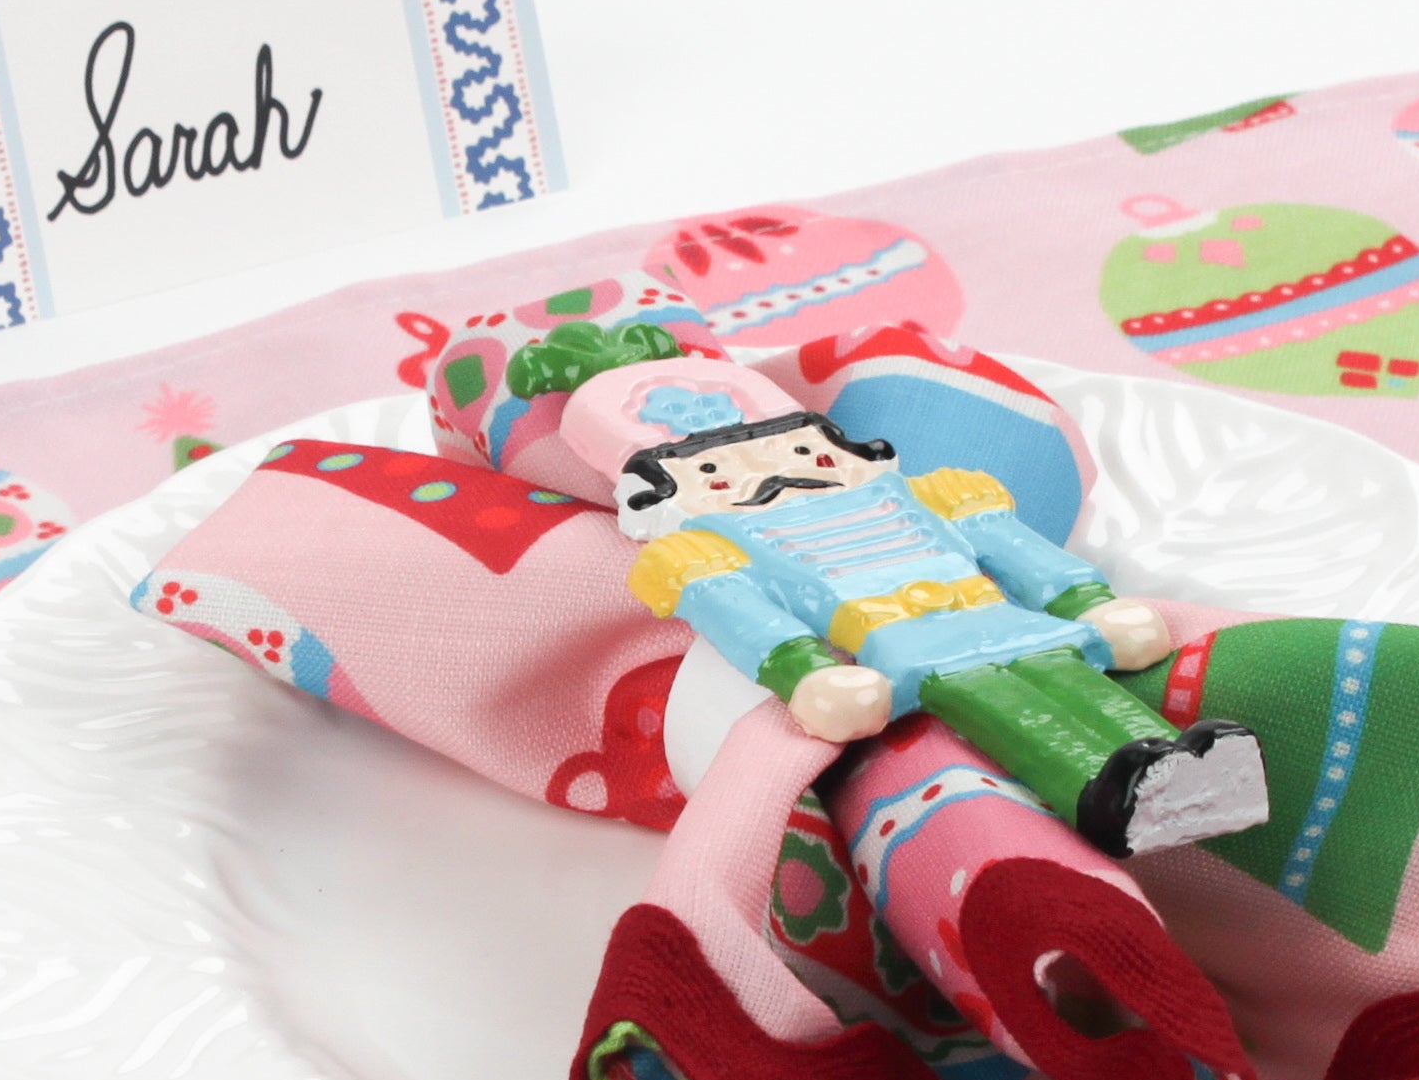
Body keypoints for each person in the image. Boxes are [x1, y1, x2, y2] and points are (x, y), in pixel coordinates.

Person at [524, 325, 1270, 858]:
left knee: (1062, 673)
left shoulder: (924, 495)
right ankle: (1103, 792)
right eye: (717, 472)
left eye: (799, 449)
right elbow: (742, 615)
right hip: (898, 643)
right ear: (669, 494)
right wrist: (805, 673)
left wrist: (1082, 601)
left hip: (993, 612)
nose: (779, 469)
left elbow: (1007, 544)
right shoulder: (705, 548)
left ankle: (1175, 766)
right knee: (1003, 703)